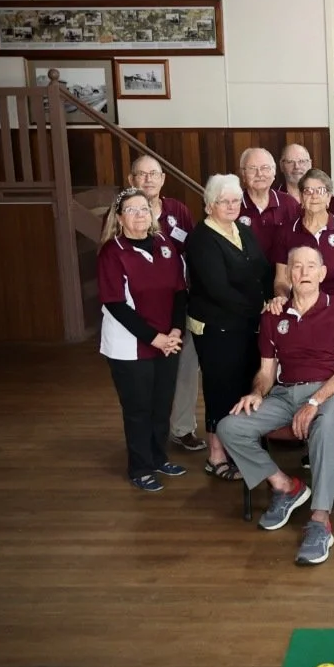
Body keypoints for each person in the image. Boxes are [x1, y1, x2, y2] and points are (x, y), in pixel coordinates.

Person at [216, 246, 334, 565]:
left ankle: (320, 520)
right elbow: (267, 371)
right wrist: (257, 392)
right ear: (289, 275)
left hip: (333, 393)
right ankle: (285, 486)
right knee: (230, 426)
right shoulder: (273, 315)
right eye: (297, 267)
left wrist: (315, 401)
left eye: (312, 266)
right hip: (284, 393)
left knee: (324, 426)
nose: (305, 272)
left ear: (323, 274)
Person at [185, 173, 273, 482]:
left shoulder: (243, 230)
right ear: (209, 205)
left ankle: (240, 447)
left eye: (237, 200)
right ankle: (216, 454)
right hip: (217, 327)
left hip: (248, 324)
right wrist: (259, 308)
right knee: (220, 389)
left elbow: (263, 270)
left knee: (243, 386)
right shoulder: (201, 240)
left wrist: (272, 299)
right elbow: (217, 289)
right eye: (225, 201)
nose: (232, 206)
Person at [98, 187, 187, 491]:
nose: (139, 215)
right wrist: (155, 338)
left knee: (161, 405)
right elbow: (115, 304)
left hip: (168, 341)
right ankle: (140, 466)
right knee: (138, 408)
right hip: (130, 346)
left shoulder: (165, 244)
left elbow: (179, 291)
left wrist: (175, 331)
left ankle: (158, 456)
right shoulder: (113, 252)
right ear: (120, 218)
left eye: (144, 209)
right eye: (132, 210)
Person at [126, 154, 204, 452]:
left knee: (185, 365)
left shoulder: (178, 211)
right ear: (132, 180)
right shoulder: (123, 214)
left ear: (162, 179)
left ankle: (181, 428)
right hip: (141, 307)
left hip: (179, 301)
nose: (148, 179)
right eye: (141, 175)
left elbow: (192, 252)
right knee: (145, 371)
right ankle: (146, 434)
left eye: (153, 174)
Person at [269, 169, 334, 305]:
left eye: (320, 191)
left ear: (329, 197)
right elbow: (281, 280)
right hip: (299, 307)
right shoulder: (285, 232)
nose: (314, 196)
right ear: (301, 197)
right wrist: (283, 300)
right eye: (308, 191)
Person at [238, 147, 300, 262]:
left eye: (265, 168)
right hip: (244, 276)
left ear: (274, 172)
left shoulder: (289, 203)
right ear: (243, 174)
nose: (259, 174)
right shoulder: (234, 204)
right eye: (252, 169)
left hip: (282, 275)